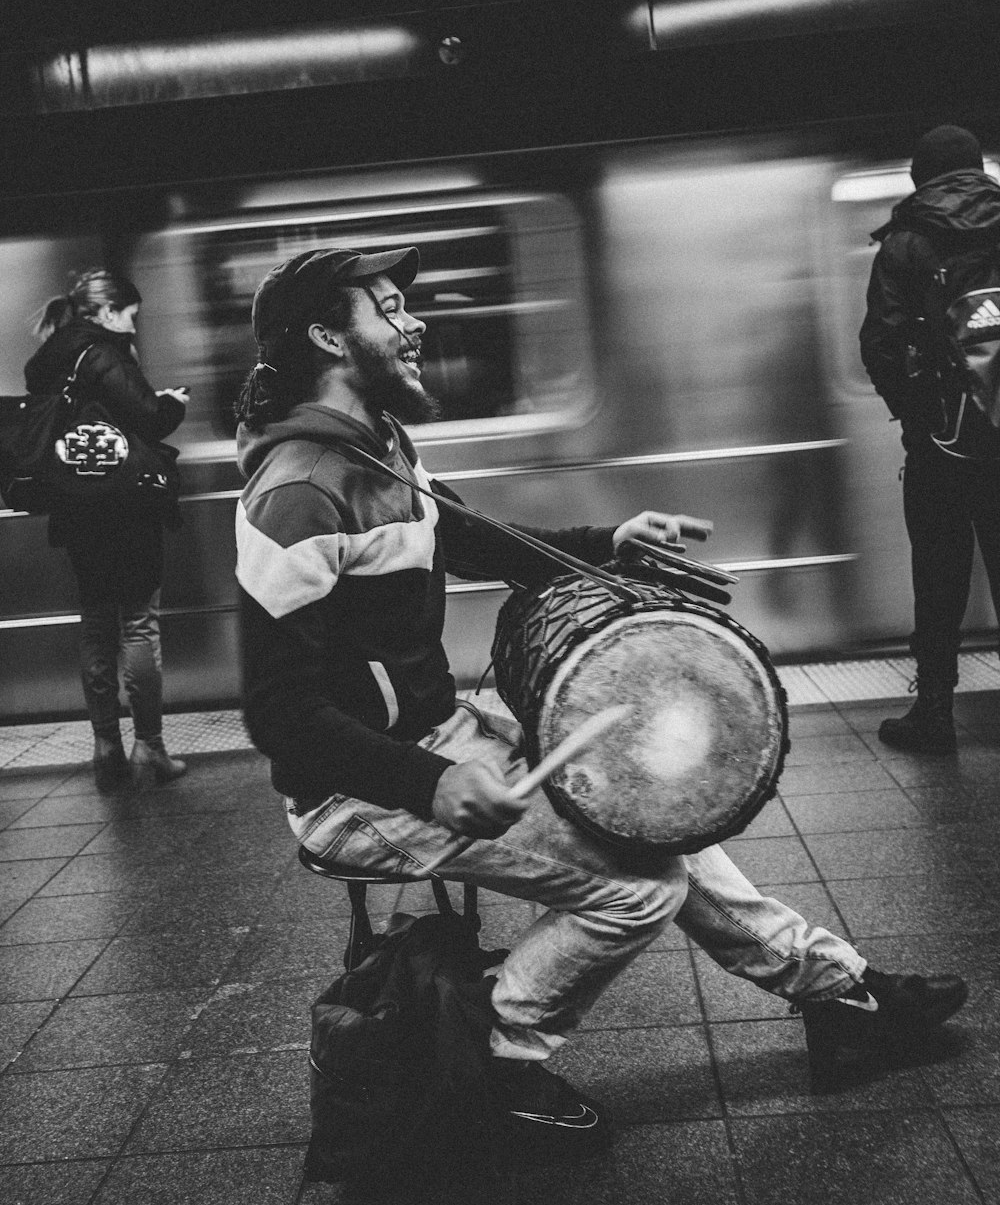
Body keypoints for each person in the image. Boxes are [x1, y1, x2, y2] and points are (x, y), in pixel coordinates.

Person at [235, 245, 967, 1154]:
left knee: (650, 818)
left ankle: (841, 995)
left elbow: (469, 540)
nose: (412, 323)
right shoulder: (298, 494)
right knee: (637, 887)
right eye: (386, 309)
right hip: (356, 792)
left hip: (433, 745)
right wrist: (428, 784)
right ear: (325, 336)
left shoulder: (378, 448)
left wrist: (606, 543)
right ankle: (496, 1065)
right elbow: (279, 714)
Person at [860, 125, 1000, 754]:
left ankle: (935, 715)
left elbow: (881, 344)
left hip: (944, 444)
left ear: (921, 174)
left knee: (939, 582)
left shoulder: (907, 242)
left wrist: (918, 420)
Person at [25, 269, 189, 792]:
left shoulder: (50, 358)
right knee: (138, 624)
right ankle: (151, 748)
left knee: (96, 624)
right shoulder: (102, 352)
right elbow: (149, 417)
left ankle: (105, 750)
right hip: (125, 509)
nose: (133, 326)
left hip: (76, 510)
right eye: (131, 315)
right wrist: (174, 403)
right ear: (108, 310)